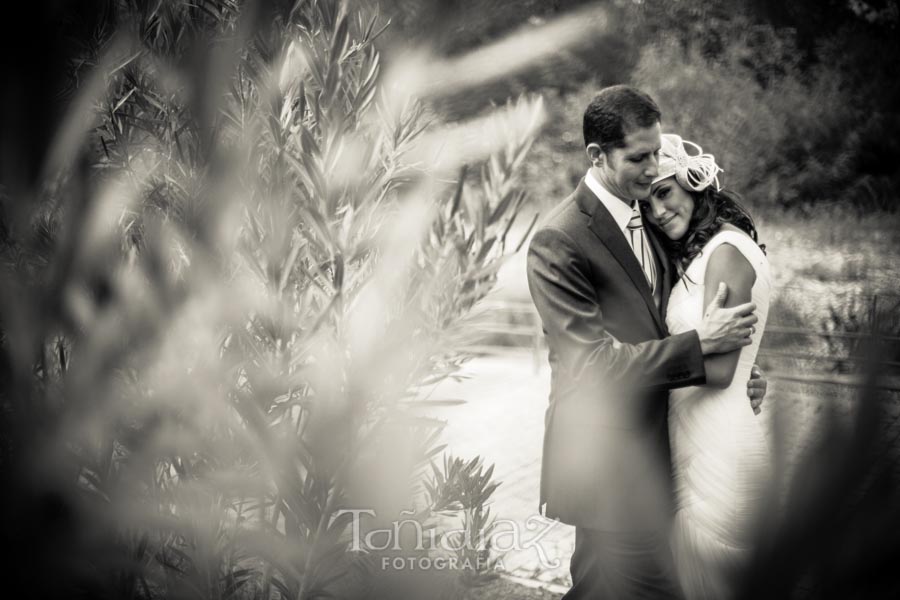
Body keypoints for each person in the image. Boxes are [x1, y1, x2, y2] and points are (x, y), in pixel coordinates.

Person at [525, 85, 767, 599]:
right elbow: (590, 367)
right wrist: (701, 349)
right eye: (639, 157)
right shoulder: (560, 238)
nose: (654, 166)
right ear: (597, 155)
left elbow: (663, 320)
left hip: (660, 464)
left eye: (657, 152)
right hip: (609, 467)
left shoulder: (649, 222)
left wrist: (734, 368)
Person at [640, 133, 772, 599]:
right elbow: (719, 350)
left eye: (665, 192)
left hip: (721, 448)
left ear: (692, 183)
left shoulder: (726, 252)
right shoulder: (700, 255)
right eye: (648, 200)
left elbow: (718, 371)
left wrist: (632, 372)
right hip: (694, 440)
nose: (657, 211)